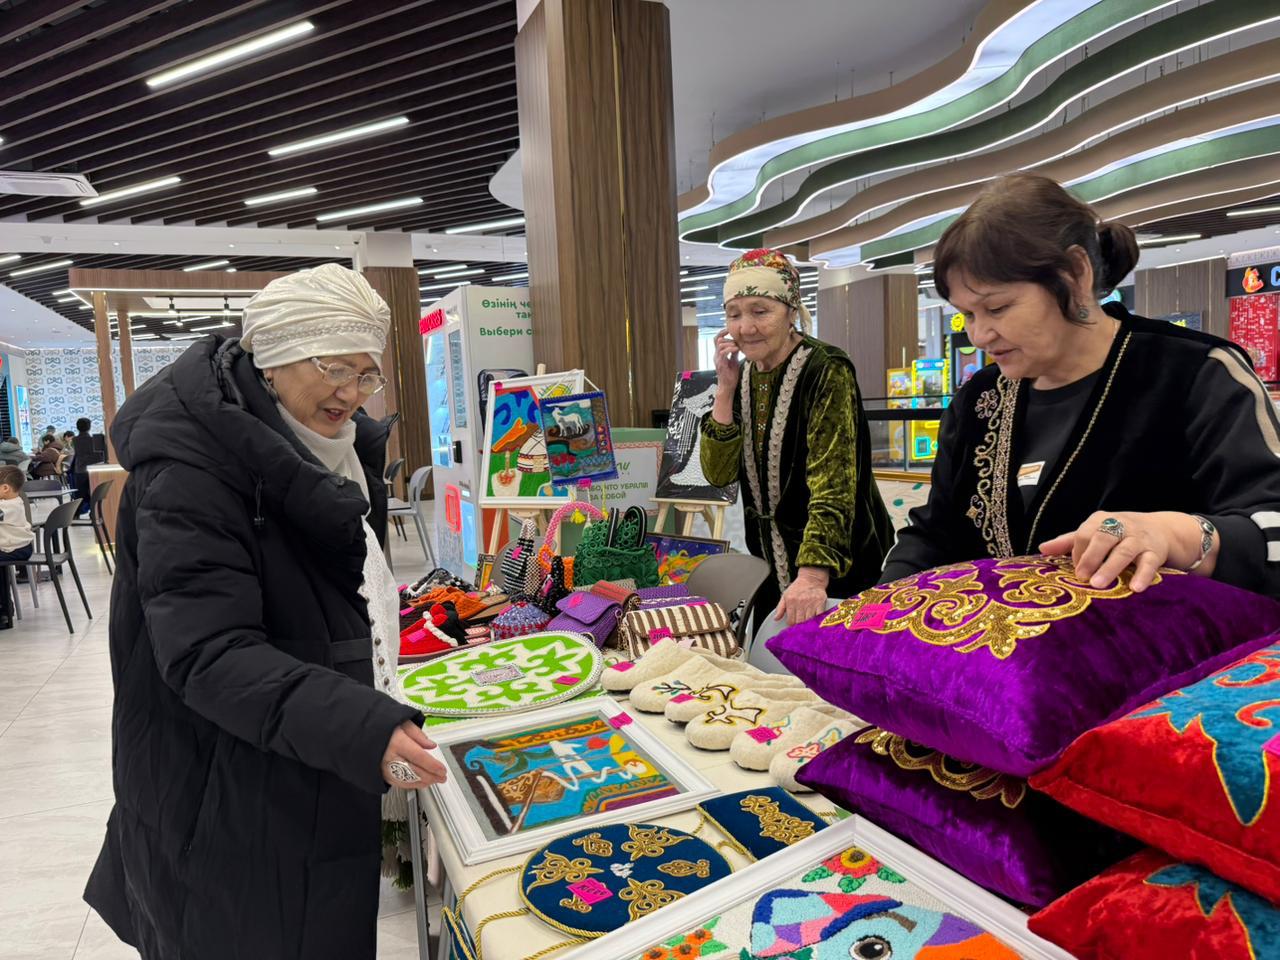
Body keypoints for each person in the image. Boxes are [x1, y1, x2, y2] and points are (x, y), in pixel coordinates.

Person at [85, 264, 449, 960]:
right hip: (223, 795)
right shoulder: (192, 472)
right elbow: (208, 652)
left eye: (367, 373)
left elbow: (326, 589)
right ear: (274, 358)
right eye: (336, 367)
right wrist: (360, 725)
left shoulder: (323, 448)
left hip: (291, 768)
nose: (352, 393)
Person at [882, 173, 1280, 598]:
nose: (979, 336)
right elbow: (936, 534)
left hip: (1168, 653)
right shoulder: (982, 398)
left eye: (997, 307)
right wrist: (866, 619)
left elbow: (1268, 524)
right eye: (969, 315)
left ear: (1075, 273)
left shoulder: (1195, 373)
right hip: (1007, 656)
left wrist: (1174, 534)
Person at [701, 248, 893, 625]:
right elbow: (718, 475)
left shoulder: (826, 370)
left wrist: (812, 576)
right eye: (734, 313)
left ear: (791, 311)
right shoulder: (742, 376)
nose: (745, 327)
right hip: (772, 566)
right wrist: (723, 389)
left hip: (838, 567)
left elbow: (834, 484)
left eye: (760, 310)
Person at [0, 465, 35, 629]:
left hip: (16, 549)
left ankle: (4, 609)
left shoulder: (7, 507)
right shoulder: (14, 500)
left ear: (5, 488)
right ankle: (5, 607)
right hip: (19, 547)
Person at [70, 418, 97, 516]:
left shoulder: (75, 440)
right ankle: (93, 513)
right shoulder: (93, 440)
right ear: (89, 427)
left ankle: (77, 513)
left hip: (79, 469)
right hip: (92, 469)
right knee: (93, 492)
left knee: (80, 494)